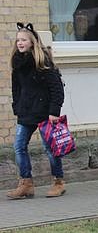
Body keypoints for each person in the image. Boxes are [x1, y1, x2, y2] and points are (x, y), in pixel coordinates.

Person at [7, 22, 66, 199]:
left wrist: (54, 111)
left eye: (24, 39)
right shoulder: (17, 64)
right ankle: (26, 183)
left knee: (50, 148)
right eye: (18, 40)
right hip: (26, 111)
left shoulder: (43, 62)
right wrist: (17, 107)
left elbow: (57, 88)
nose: (20, 43)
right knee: (19, 147)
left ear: (32, 42)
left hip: (44, 112)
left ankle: (58, 182)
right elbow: (16, 89)